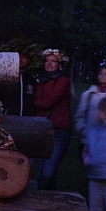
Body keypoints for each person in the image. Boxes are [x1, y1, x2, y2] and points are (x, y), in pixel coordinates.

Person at [33, 48, 72, 190]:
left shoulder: (63, 82)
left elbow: (47, 102)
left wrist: (35, 102)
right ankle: (49, 202)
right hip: (42, 129)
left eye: (53, 61)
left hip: (59, 131)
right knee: (43, 172)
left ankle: (46, 200)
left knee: (48, 173)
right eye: (47, 61)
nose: (49, 63)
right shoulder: (41, 82)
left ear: (59, 64)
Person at [74, 65, 106, 151]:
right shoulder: (88, 94)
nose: (103, 76)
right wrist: (84, 131)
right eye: (100, 73)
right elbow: (79, 116)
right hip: (89, 139)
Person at [0, 50, 37, 116]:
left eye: (23, 56)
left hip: (28, 122)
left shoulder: (32, 81)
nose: (20, 59)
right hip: (7, 122)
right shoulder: (2, 79)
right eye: (17, 56)